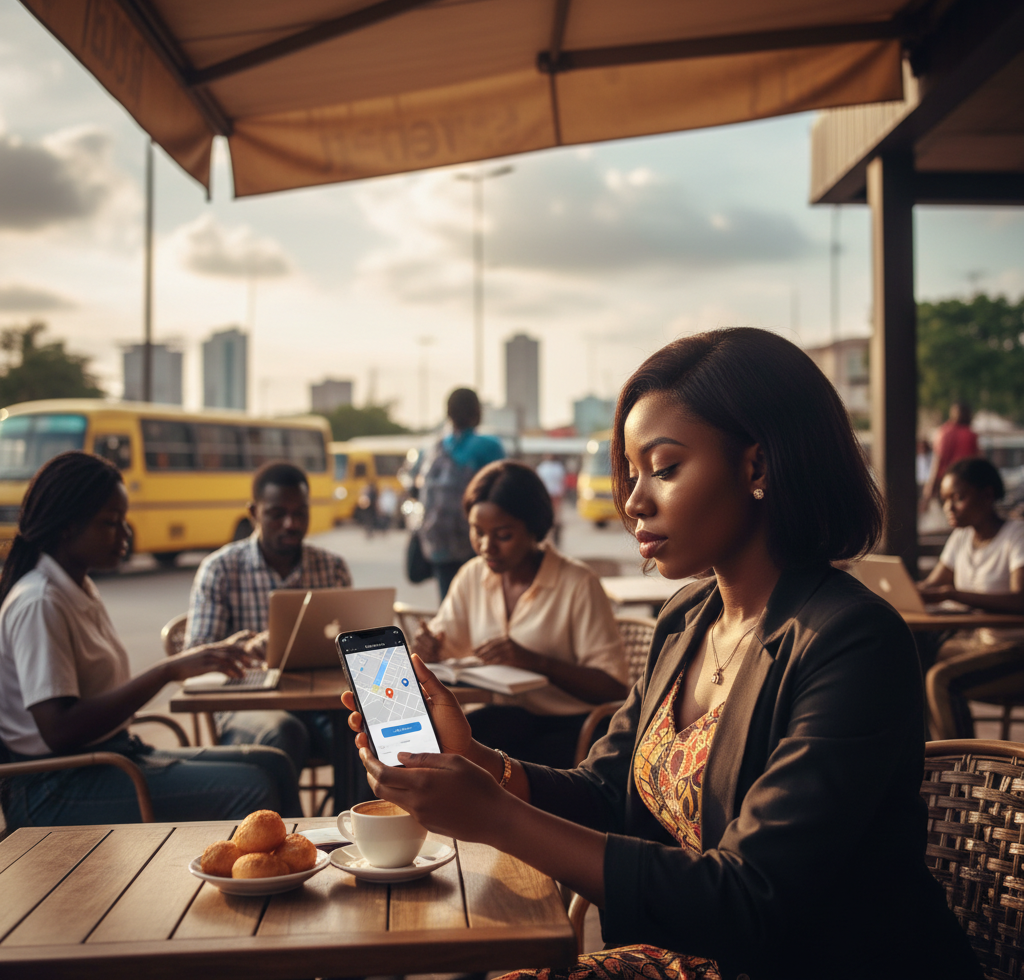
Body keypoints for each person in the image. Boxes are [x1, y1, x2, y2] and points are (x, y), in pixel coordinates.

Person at [343, 328, 981, 980]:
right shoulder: (686, 619)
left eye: (665, 468)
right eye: (632, 472)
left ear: (758, 467)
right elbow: (608, 792)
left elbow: (753, 896)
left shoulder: (852, 641)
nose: (633, 500)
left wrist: (496, 817)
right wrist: (482, 763)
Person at [0, 452, 301, 828]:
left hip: (110, 758)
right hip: (54, 787)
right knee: (252, 787)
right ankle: (259, 865)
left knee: (273, 763)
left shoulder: (78, 588)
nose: (125, 533)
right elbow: (59, 732)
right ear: (67, 527)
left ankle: (301, 857)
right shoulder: (40, 601)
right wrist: (167, 671)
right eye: (111, 522)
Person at [414, 460, 627, 768]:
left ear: (533, 529)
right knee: (424, 744)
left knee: (457, 755)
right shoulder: (472, 576)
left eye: (503, 535)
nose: (486, 547)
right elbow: (445, 642)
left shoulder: (578, 584)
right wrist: (428, 649)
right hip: (505, 721)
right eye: (477, 532)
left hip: (569, 728)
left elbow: (614, 687)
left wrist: (537, 662)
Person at [185, 460, 352, 773]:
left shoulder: (332, 567)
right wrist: (245, 650)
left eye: (300, 513)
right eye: (277, 514)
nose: (291, 523)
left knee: (361, 729)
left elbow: (349, 645)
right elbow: (195, 655)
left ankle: (356, 807)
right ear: (254, 512)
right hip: (246, 706)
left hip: (322, 703)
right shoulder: (220, 569)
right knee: (283, 732)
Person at [918, 457, 1024, 739]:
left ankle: (959, 759)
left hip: (1016, 649)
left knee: (942, 680)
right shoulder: (961, 538)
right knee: (911, 659)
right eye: (945, 500)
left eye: (958, 498)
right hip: (981, 642)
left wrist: (953, 594)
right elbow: (931, 587)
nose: (949, 507)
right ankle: (925, 750)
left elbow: (1020, 600)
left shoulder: (1016, 536)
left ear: (987, 495)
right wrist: (899, 588)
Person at [415, 388, 505, 599]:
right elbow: (505, 491)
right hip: (476, 544)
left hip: (439, 544)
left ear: (448, 414)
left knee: (448, 602)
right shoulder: (489, 447)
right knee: (481, 604)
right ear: (477, 412)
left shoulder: (433, 449)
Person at [923, 401, 979, 506]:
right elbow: (977, 462)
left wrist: (930, 489)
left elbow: (937, 462)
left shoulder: (943, 432)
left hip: (945, 484)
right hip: (966, 484)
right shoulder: (971, 435)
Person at [535, 454, 567, 546]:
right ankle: (555, 537)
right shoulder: (558, 468)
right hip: (555, 493)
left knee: (547, 516)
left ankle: (549, 538)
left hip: (547, 494)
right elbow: (562, 481)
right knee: (556, 516)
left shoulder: (542, 467)